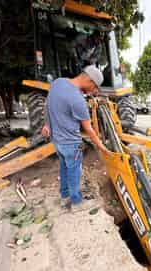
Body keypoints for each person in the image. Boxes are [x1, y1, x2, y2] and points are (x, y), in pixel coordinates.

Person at [41, 65, 108, 209]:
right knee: (73, 171)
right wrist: (101, 146)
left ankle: (64, 197)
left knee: (64, 167)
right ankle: (77, 202)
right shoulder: (78, 100)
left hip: (57, 141)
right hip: (71, 144)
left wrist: (47, 124)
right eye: (95, 87)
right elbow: (89, 130)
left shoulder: (57, 83)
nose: (94, 91)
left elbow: (47, 105)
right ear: (89, 80)